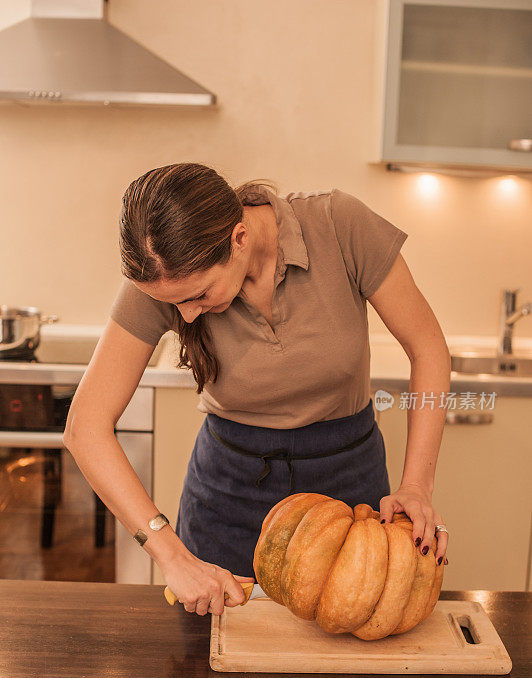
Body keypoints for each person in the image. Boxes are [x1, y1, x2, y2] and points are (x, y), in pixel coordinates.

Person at [63, 162, 451, 618]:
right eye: (175, 305)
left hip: (349, 489)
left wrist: (416, 486)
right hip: (227, 495)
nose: (187, 317)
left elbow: (428, 348)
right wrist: (172, 555)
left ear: (239, 239)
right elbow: (84, 428)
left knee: (346, 671)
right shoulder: (165, 280)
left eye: (199, 295)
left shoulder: (340, 226)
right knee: (213, 669)